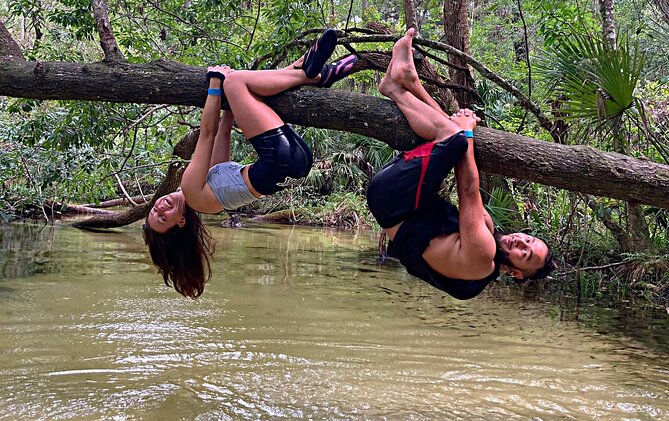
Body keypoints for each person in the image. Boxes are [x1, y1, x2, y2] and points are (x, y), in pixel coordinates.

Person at [143, 29, 358, 298]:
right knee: (235, 82)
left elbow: (221, 133)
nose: (160, 208)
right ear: (181, 222)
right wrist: (215, 83)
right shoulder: (191, 192)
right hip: (279, 161)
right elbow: (207, 132)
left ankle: (306, 67)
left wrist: (229, 105)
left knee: (249, 88)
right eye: (164, 218)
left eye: (154, 212)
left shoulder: (207, 199)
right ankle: (313, 75)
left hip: (297, 164)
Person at [367, 28, 554, 300]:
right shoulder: (483, 249)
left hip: (394, 200)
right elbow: (445, 134)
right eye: (529, 240)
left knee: (454, 138)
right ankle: (408, 81)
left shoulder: (482, 258)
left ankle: (396, 88)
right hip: (400, 200)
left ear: (516, 273)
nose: (521, 242)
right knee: (451, 135)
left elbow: (468, 188)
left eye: (524, 254)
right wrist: (451, 118)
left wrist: (465, 131)